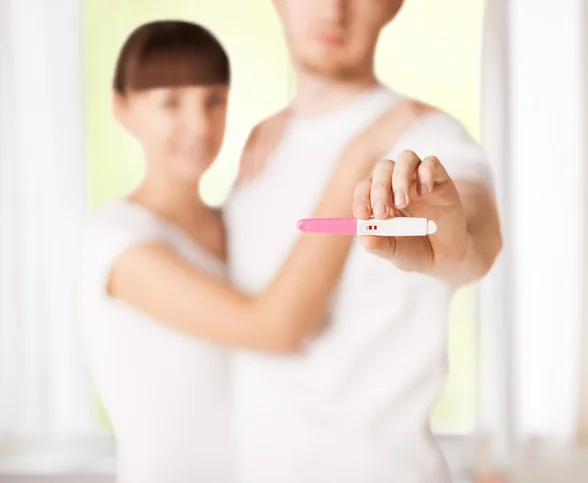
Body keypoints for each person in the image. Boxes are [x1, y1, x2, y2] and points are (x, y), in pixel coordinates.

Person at [77, 19, 416, 483]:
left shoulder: (236, 216)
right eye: (170, 103)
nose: (198, 124)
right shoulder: (115, 240)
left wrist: (293, 126)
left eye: (213, 99)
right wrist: (362, 154)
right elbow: (274, 327)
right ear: (122, 108)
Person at [222, 1, 503, 482]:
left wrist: (450, 239)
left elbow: (475, 236)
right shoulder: (259, 151)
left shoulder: (426, 135)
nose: (334, 10)